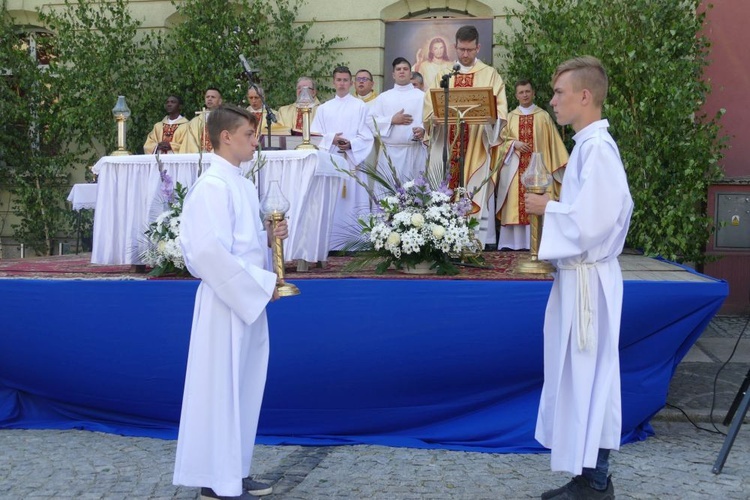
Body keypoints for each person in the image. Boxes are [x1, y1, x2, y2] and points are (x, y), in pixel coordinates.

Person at [525, 56, 633, 500]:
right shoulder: (587, 147)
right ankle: (589, 475)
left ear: (585, 97)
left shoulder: (598, 149)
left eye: (559, 93)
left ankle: (596, 481)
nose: (552, 101)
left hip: (590, 284)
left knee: (593, 379)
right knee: (581, 379)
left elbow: (597, 219)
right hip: (581, 280)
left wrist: (547, 209)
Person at [172, 104, 288, 500]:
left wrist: (269, 231)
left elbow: (241, 242)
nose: (255, 142)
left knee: (243, 387)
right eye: (249, 135)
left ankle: (234, 472)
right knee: (220, 390)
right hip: (227, 301)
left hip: (245, 299)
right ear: (226, 137)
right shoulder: (212, 186)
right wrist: (260, 284)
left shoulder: (238, 182)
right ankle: (215, 480)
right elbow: (206, 253)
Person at [422, 25, 508, 248]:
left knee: (474, 193)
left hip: (476, 146)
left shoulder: (490, 75)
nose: (465, 54)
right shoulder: (443, 75)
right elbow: (429, 108)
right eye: (461, 49)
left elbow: (501, 113)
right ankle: (441, 242)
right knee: (444, 190)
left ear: (478, 47)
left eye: (470, 50)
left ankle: (472, 245)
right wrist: (433, 121)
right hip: (446, 147)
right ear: (455, 47)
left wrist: (493, 120)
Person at [496, 79, 569, 250]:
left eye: (527, 91)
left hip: (539, 170)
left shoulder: (543, 116)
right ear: (516, 95)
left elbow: (554, 144)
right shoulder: (510, 117)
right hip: (515, 169)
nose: (525, 95)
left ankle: (536, 242)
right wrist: (514, 144)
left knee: (537, 199)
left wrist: (563, 165)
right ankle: (513, 243)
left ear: (533, 93)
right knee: (515, 202)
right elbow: (500, 142)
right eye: (521, 92)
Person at [311, 66, 374, 250]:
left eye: (345, 80)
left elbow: (367, 136)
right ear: (333, 82)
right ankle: (331, 244)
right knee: (333, 203)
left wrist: (351, 144)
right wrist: (333, 139)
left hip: (352, 161)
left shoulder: (360, 107)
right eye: (338, 80)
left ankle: (356, 244)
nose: (342, 83)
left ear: (351, 82)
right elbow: (315, 135)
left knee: (354, 202)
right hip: (331, 162)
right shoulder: (323, 109)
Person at [368, 57, 427, 190]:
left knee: (414, 195)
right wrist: (391, 120)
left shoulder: (422, 96)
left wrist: (423, 130)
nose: (402, 72)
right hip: (389, 153)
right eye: (398, 69)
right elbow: (370, 122)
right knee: (387, 195)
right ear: (393, 74)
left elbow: (431, 120)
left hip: (414, 151)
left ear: (410, 74)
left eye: (405, 69)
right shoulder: (384, 97)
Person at [182, 87, 223, 153]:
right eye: (207, 97)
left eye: (213, 97)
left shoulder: (226, 120)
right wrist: (199, 154)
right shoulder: (195, 122)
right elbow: (190, 141)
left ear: (220, 101)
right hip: (199, 158)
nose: (209, 99)